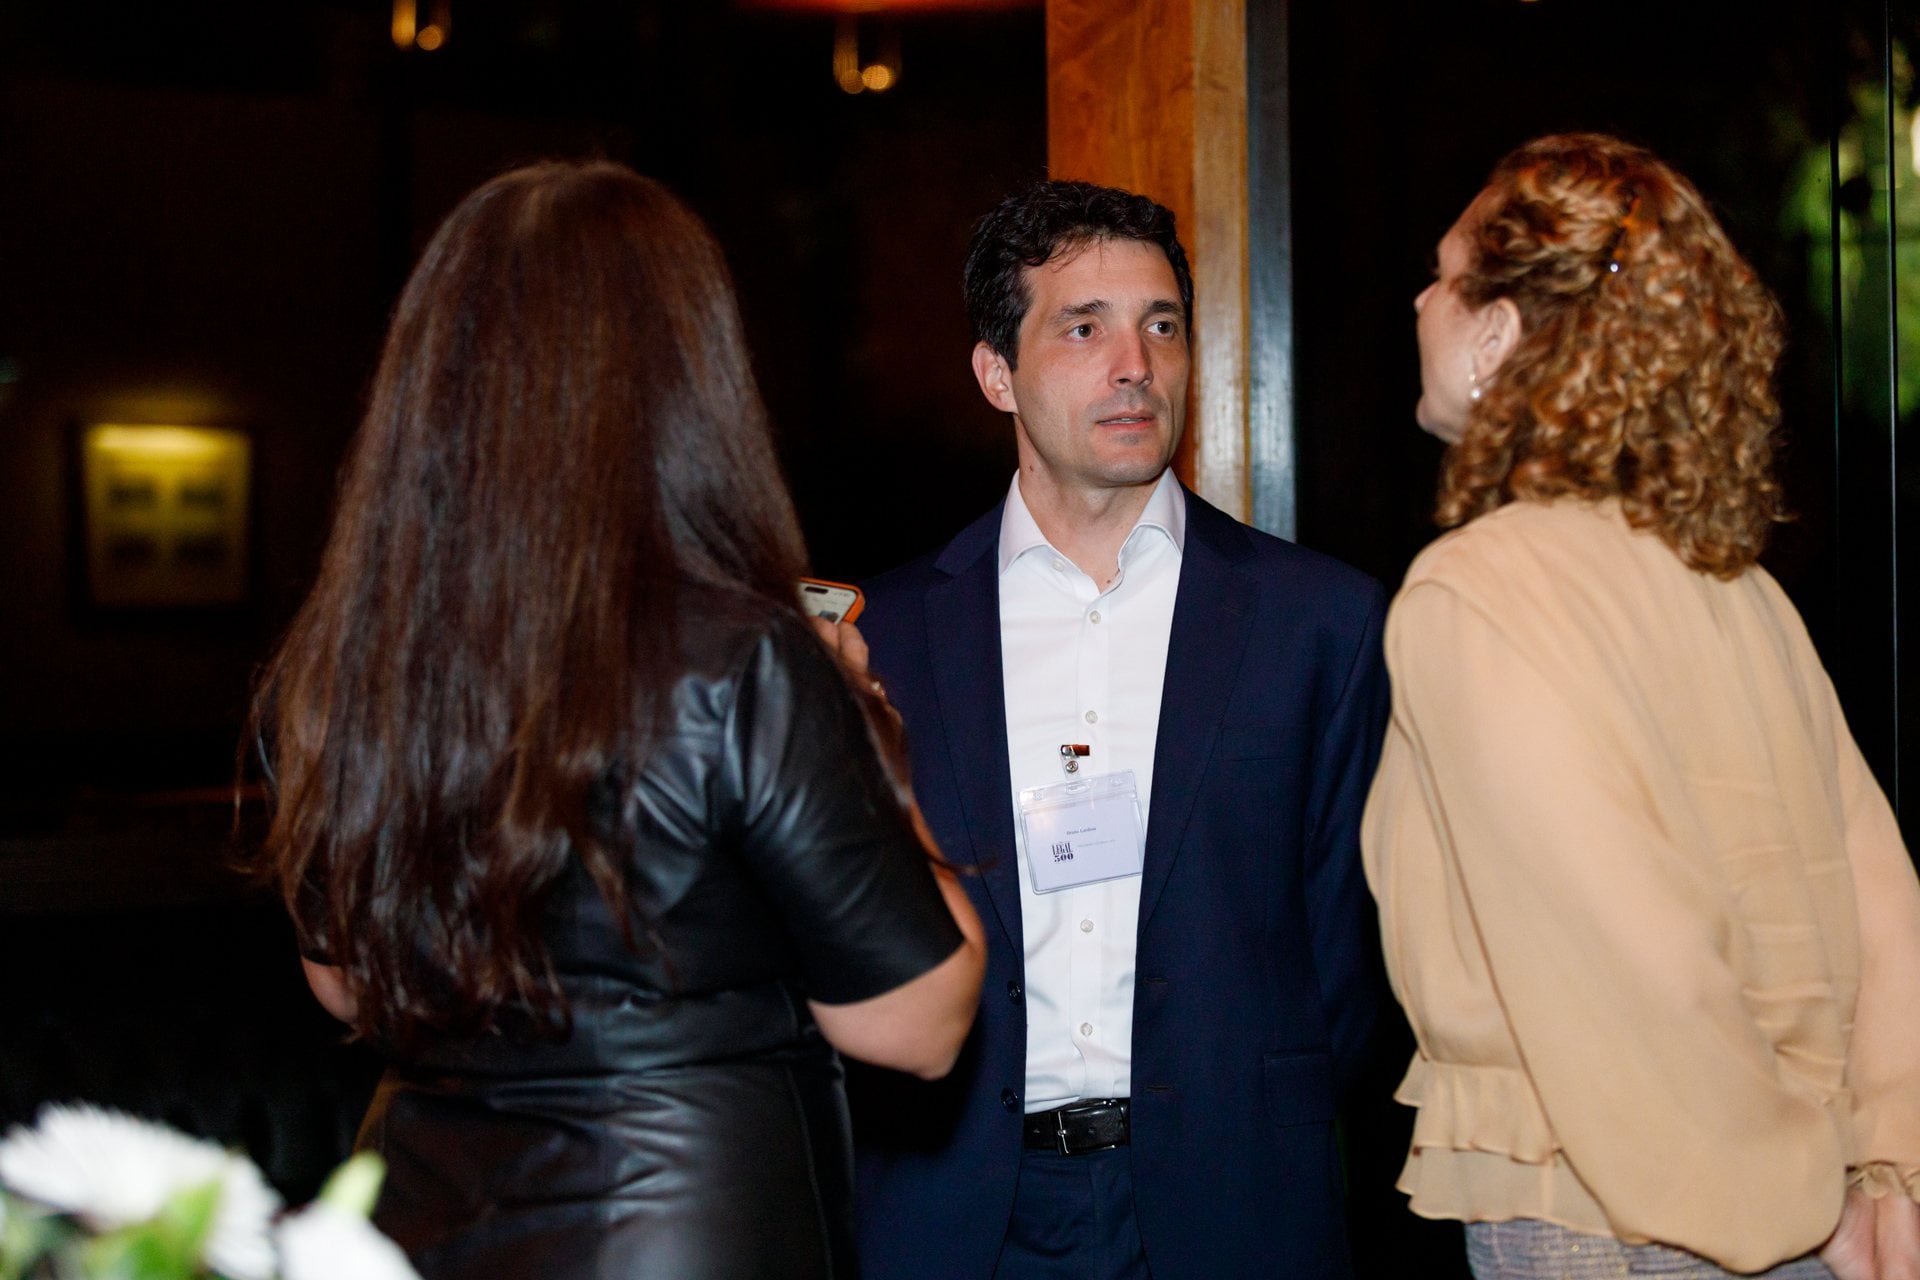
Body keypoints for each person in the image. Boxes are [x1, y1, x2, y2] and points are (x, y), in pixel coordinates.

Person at [249, 159, 985, 1280]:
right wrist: (862, 731)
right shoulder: (745, 658)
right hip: (675, 1231)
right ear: (688, 381)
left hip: (414, 1223)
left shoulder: (344, 661)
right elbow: (919, 1021)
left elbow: (344, 981)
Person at [1362, 132, 1920, 1280]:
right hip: (1799, 1206)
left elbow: (1622, 953)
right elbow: (1886, 907)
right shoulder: (1740, 588)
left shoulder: (1478, 591)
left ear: (1497, 333)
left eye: (1442, 276)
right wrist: (1882, 1169)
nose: (1418, 302)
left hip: (1621, 1218)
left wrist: (1803, 1198)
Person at [843, 179, 1391, 1280]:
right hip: (957, 1211)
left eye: (1162, 325)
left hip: (1235, 1206)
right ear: (997, 374)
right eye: (1084, 328)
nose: (1135, 363)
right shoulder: (884, 637)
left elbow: (1351, 953)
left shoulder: (1321, 621)